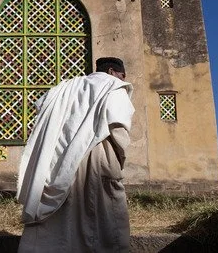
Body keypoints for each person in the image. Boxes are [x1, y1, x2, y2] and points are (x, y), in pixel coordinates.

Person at [17, 57, 135, 253]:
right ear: (113, 71)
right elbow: (118, 127)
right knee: (102, 212)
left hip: (58, 155)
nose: (124, 79)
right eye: (123, 75)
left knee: (62, 217)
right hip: (99, 153)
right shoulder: (113, 86)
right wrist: (119, 157)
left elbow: (42, 109)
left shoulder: (66, 87)